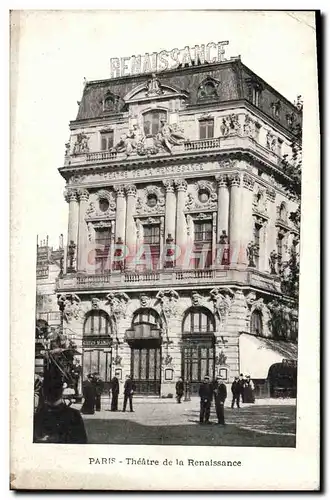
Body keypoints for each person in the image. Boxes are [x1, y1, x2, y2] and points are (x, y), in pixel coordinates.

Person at [33, 379, 87, 444]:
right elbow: (82, 443)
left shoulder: (37, 417)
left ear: (42, 392)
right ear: (62, 391)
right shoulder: (74, 415)